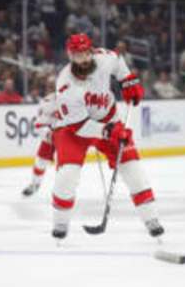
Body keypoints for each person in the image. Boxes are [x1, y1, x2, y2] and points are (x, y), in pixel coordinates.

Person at [50, 33, 164, 240]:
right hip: (72, 130)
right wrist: (109, 131)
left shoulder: (105, 58)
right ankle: (60, 222)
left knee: (133, 169)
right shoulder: (65, 84)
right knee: (67, 176)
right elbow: (79, 126)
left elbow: (119, 65)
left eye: (85, 53)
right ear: (70, 55)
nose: (83, 59)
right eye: (77, 55)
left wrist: (129, 83)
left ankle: (151, 219)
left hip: (108, 119)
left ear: (92, 51)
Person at [22, 91, 57, 196]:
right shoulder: (49, 101)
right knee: (41, 161)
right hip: (53, 135)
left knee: (67, 165)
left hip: (70, 135)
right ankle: (34, 184)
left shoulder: (76, 98)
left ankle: (64, 190)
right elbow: (39, 124)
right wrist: (48, 134)